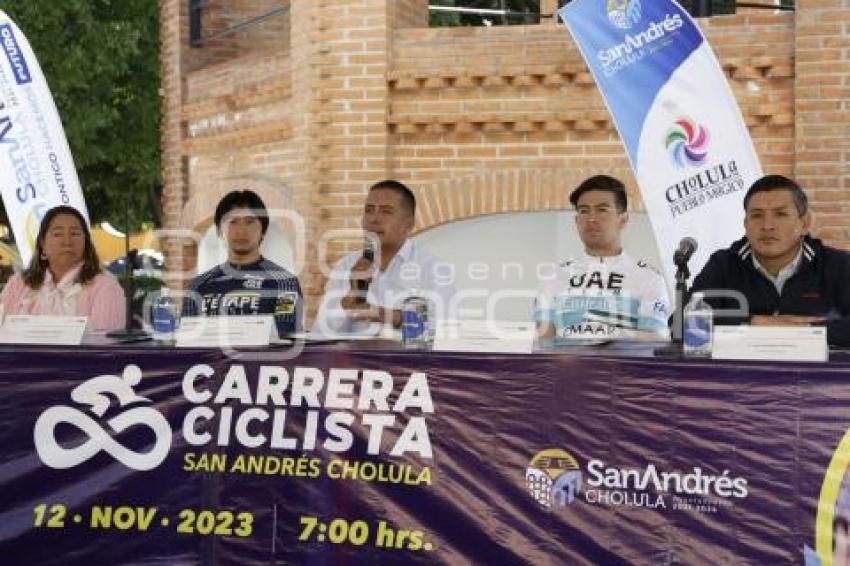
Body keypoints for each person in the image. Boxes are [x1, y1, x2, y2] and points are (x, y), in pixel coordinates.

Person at [689, 174, 850, 346]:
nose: (767, 226)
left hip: (815, 371)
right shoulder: (724, 264)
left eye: (780, 214)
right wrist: (754, 322)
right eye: (757, 215)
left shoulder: (837, 265)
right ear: (746, 224)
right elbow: (682, 323)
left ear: (804, 223)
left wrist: (803, 331)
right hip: (743, 371)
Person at [313, 179, 456, 337]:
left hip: (407, 361)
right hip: (354, 359)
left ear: (408, 224)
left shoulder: (432, 269)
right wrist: (347, 301)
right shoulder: (346, 266)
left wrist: (385, 315)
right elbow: (319, 334)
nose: (374, 219)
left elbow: (447, 330)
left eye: (386, 211)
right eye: (369, 210)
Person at [535, 175, 670, 340]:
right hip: (567, 366)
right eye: (584, 211)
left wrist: (601, 337)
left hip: (626, 366)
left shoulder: (648, 278)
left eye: (602, 210)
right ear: (577, 221)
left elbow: (655, 342)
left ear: (623, 219)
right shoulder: (554, 277)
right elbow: (544, 347)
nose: (591, 219)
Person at [182, 190, 302, 337]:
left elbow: (287, 339)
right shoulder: (198, 286)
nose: (241, 231)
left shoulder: (284, 283)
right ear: (219, 231)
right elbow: (185, 342)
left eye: (250, 222)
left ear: (263, 230)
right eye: (232, 222)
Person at [0, 205, 125, 332]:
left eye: (75, 233)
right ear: (42, 244)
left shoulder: (105, 286)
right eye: (58, 234)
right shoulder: (19, 283)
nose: (67, 241)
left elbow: (103, 345)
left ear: (86, 242)